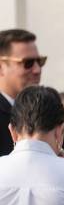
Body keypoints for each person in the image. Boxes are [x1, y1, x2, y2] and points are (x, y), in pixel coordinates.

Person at [0, 29, 45, 157]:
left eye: (40, 61)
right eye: (28, 63)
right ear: (1, 67)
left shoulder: (46, 109)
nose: (37, 70)